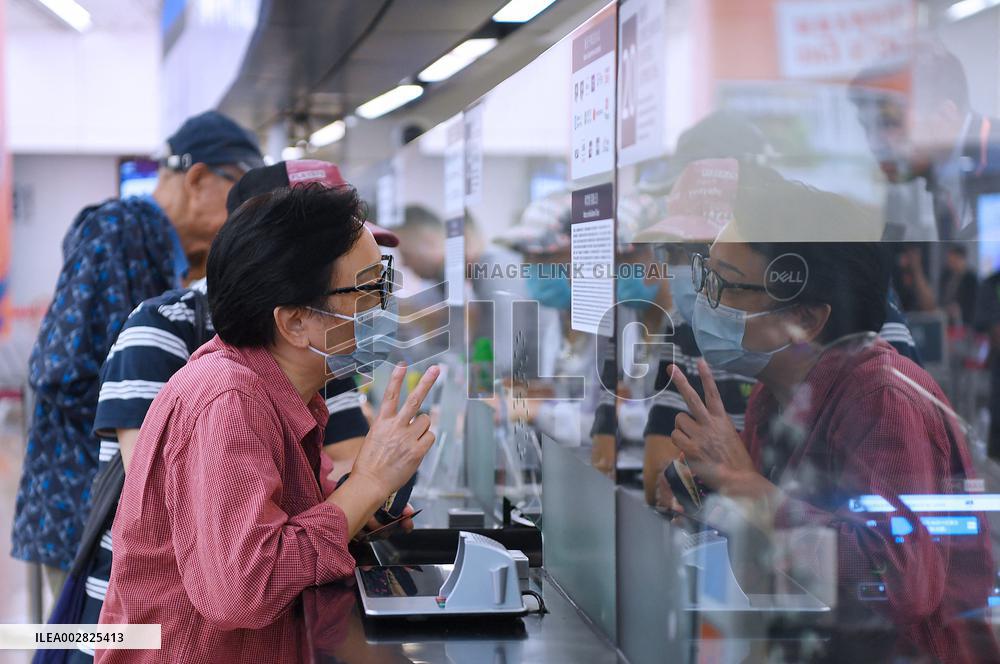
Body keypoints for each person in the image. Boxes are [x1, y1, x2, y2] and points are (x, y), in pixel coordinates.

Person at [42, 161, 399, 664]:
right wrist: (369, 481)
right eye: (368, 291)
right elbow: (240, 589)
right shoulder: (229, 399)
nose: (383, 307)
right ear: (296, 321)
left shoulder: (289, 394)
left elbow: (269, 537)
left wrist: (364, 504)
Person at [666, 164, 998, 662]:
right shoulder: (774, 393)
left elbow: (898, 585)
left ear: (803, 318)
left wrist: (744, 486)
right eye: (707, 278)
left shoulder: (881, 397)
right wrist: (710, 501)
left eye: (728, 286)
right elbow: (785, 557)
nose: (706, 302)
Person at [12, 111, 263, 596]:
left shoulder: (162, 253)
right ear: (198, 179)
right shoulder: (118, 233)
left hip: (116, 514)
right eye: (242, 199)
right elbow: (60, 369)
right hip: (81, 510)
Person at [939, 244, 978, 327]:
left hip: (966, 323)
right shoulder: (946, 276)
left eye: (954, 261)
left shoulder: (971, 279)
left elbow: (973, 305)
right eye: (950, 261)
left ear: (961, 259)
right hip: (946, 319)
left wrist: (959, 310)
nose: (950, 264)